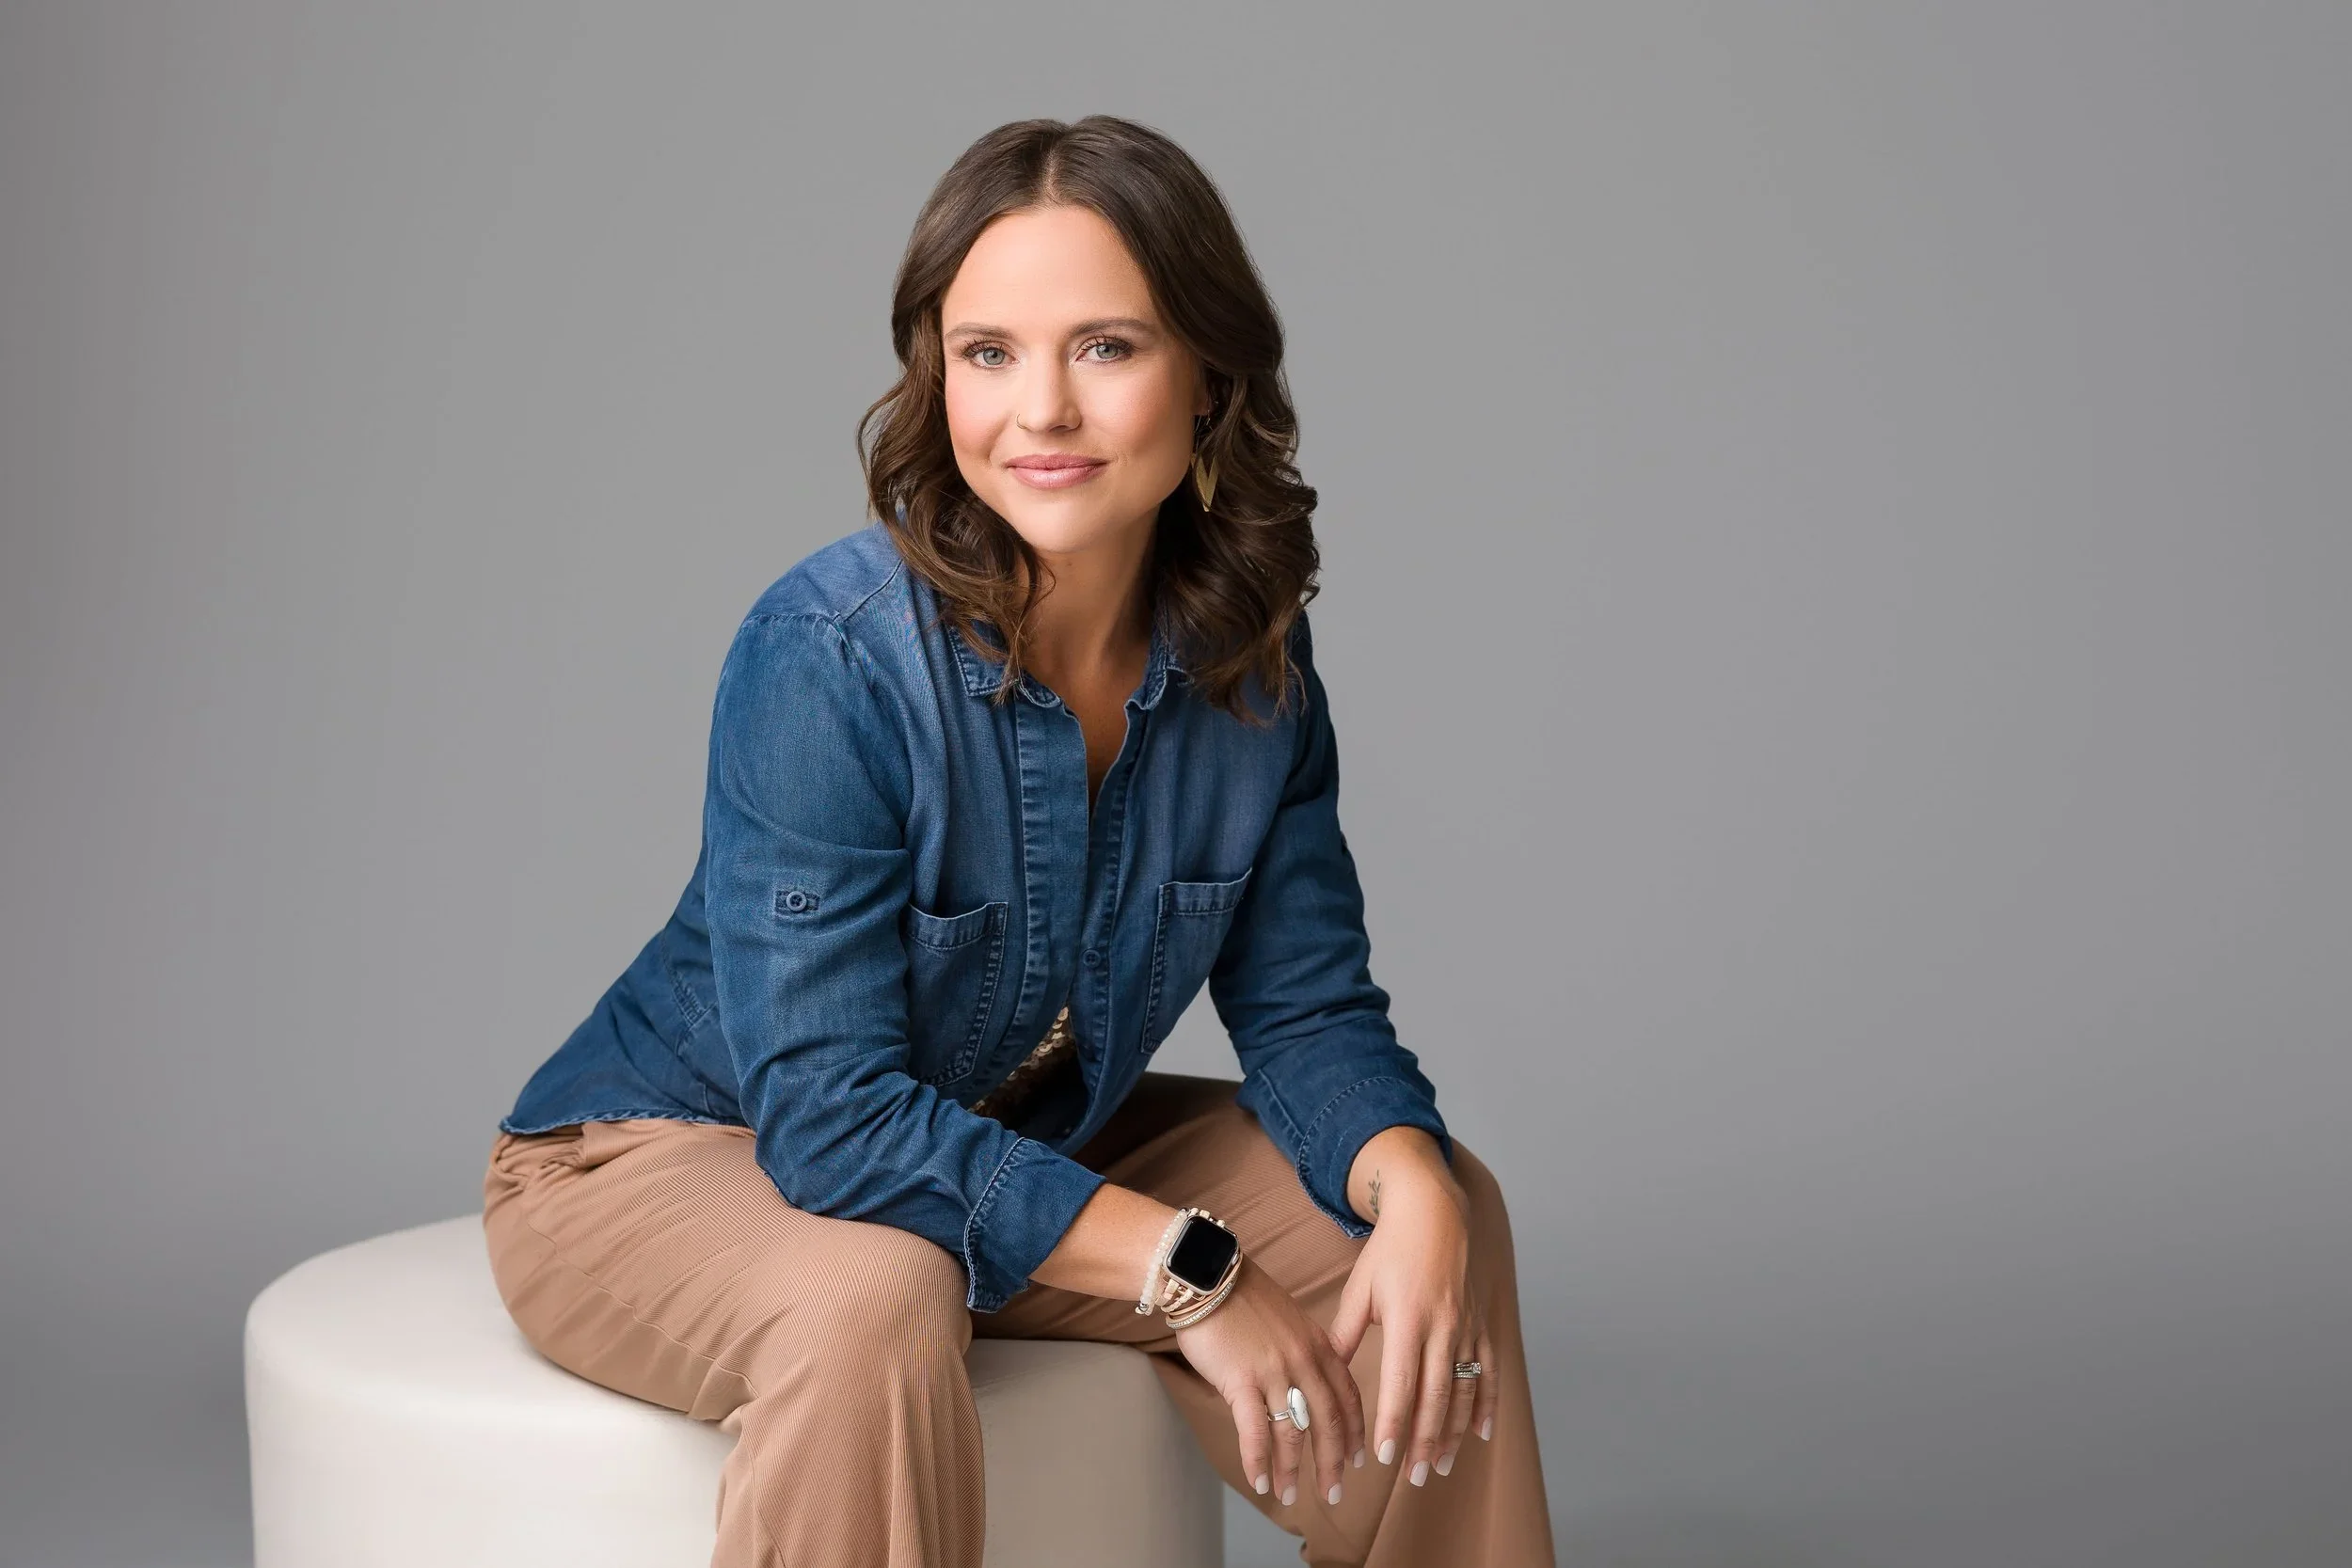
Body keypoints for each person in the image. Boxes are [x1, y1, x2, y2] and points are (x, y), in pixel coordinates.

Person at [481, 113, 1557, 1568]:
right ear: (938, 379)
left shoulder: (1254, 669)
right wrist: (1191, 1271)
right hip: (665, 1153)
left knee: (1432, 1206)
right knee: (878, 1295)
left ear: (1209, 381)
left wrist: (1414, 1179)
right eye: (988, 352)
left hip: (995, 1139)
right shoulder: (829, 654)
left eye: (1105, 347)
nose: (1038, 408)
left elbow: (1306, 1014)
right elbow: (831, 1119)